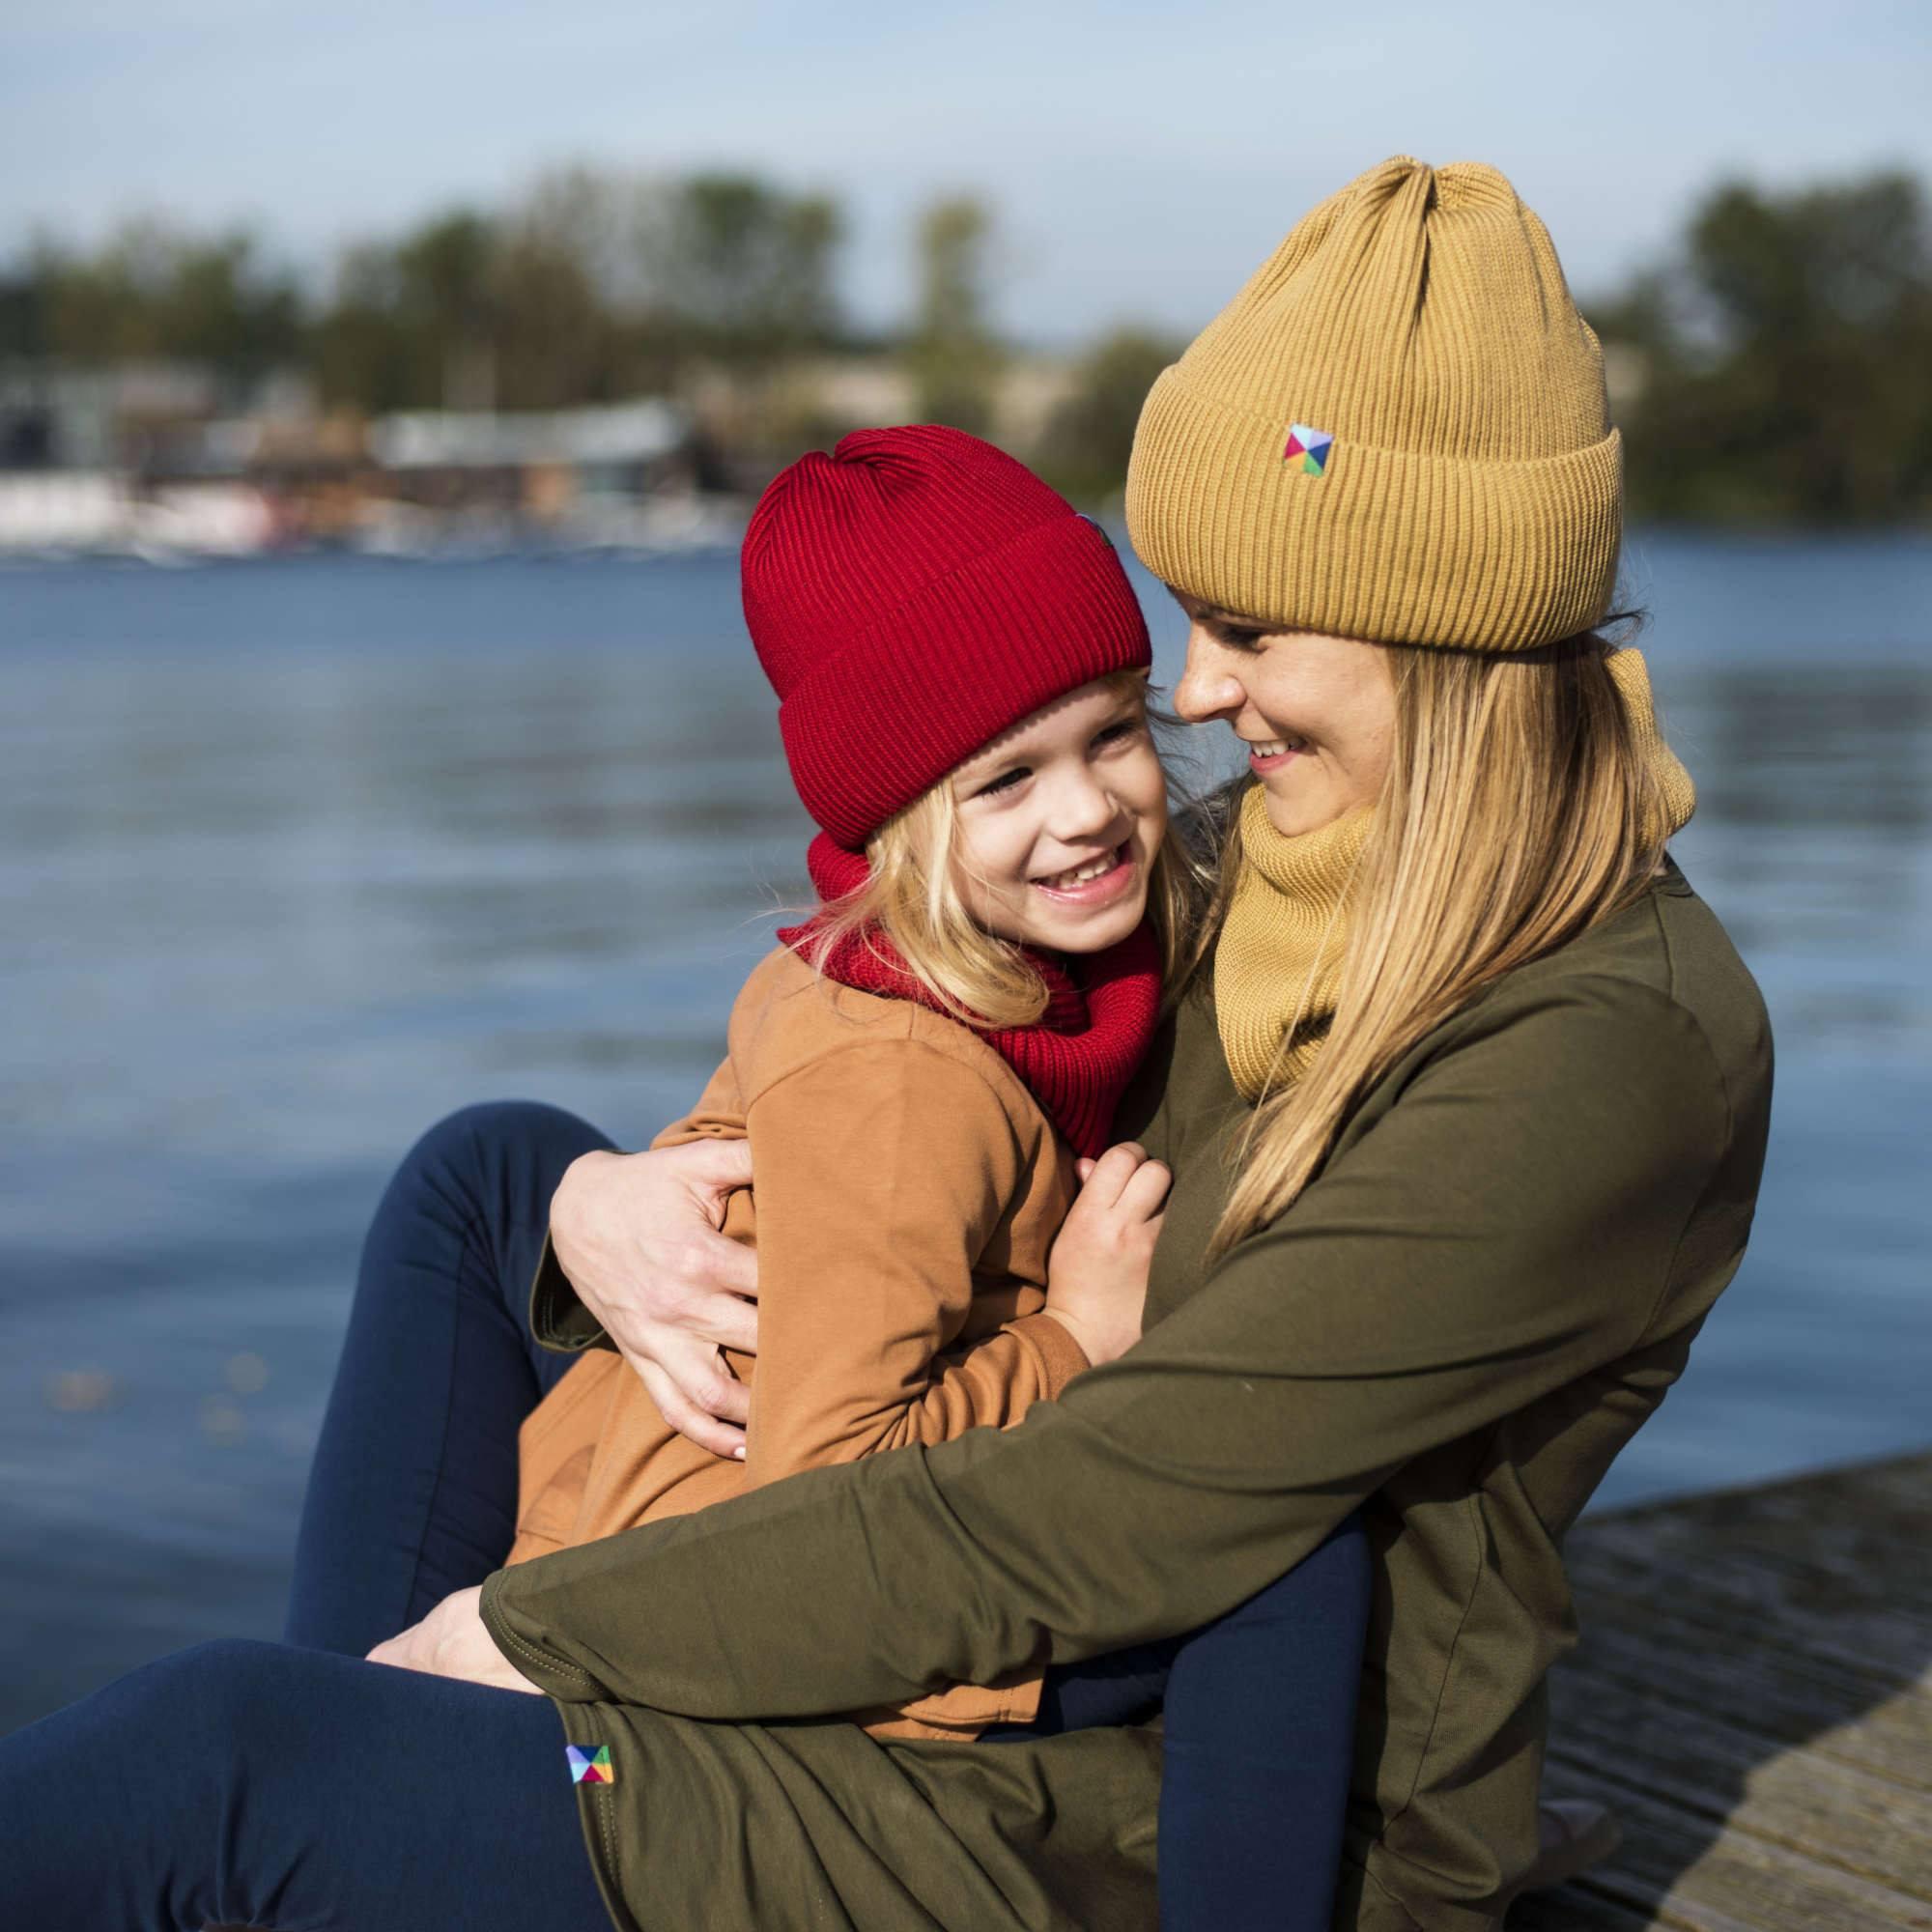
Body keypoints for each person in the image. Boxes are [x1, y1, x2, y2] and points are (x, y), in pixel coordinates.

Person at [0, 154, 1772, 1932]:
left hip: (1145, 1802)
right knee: (489, 1180)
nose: (1203, 692)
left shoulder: (1599, 1048)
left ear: (1441, 622)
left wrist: (518, 1641)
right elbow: (879, 1073)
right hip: (965, 1648)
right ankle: (384, 1779)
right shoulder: (1249, 866)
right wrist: (624, 1203)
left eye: (1244, 629)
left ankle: (382, 1760)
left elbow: (1113, 1503)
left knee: (222, 1759)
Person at [0, 432, 1369, 1932]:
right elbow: (835, 1499)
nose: (1090, 808)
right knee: (224, 1743)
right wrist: (1071, 1348)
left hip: (713, 1590)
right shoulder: (908, 1077)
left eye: (1112, 735)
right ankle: (380, 1770)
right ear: (901, 820)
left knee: (254, 1728)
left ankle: (367, 1771)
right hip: (694, 1665)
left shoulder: (995, 985)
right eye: (1005, 780)